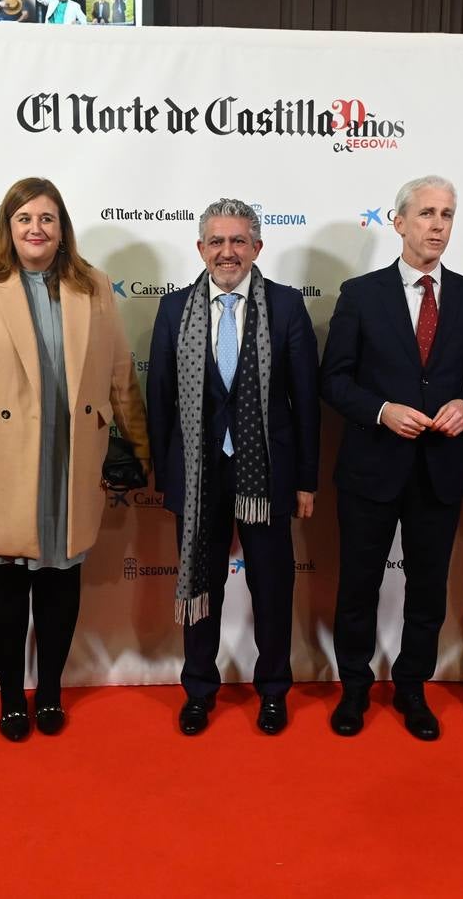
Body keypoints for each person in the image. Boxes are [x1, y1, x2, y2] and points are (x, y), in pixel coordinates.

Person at [0, 177, 148, 741]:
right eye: (24, 218)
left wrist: (144, 453)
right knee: (1, 587)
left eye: (47, 219)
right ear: (8, 226)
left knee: (58, 585)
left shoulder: (93, 286)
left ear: (61, 227)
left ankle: (48, 689)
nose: (36, 229)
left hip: (68, 462)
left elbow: (122, 376)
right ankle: (9, 696)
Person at [321, 175, 463, 740]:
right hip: (372, 467)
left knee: (428, 589)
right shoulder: (361, 294)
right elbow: (334, 380)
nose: (438, 225)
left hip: (439, 470)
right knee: (359, 585)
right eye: (426, 213)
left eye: (447, 214)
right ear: (398, 222)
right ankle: (353, 688)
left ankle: (411, 689)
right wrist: (381, 411)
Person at [147, 199, 320, 736]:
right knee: (203, 584)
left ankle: (273, 690)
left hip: (267, 473)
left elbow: (306, 403)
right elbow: (159, 401)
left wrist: (306, 481)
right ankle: (199, 688)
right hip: (198, 476)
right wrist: (166, 477)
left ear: (257, 248)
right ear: (200, 249)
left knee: (272, 586)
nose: (228, 251)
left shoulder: (287, 307)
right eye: (216, 242)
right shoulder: (175, 310)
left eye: (238, 241)